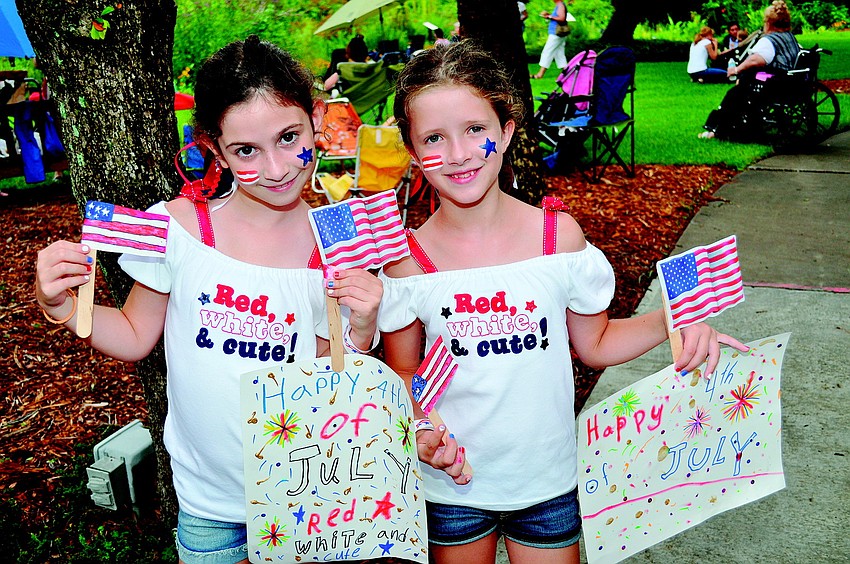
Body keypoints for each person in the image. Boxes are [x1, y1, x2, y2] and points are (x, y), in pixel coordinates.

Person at [380, 40, 748, 564]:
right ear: (415, 153)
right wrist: (420, 426)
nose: (459, 154)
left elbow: (595, 343)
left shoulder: (559, 239)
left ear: (507, 131)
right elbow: (403, 374)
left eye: (475, 130)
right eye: (435, 137)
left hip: (549, 482)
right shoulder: (406, 263)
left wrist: (675, 320)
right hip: (451, 487)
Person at [35, 35, 382, 564]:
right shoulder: (180, 229)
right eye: (246, 150)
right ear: (213, 148)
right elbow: (133, 336)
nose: (276, 166)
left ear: (317, 120)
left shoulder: (338, 239)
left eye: (290, 137)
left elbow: (330, 380)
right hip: (209, 508)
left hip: (307, 503)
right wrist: (61, 307)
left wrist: (359, 330)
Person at [700, 0, 801, 139]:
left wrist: (737, 70)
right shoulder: (790, 37)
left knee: (735, 94)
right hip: (791, 82)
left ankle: (716, 130)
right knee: (747, 81)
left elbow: (756, 60)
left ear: (768, 23)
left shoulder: (769, 41)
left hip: (776, 85)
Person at [532, 0, 569, 79]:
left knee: (547, 52)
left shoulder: (560, 5)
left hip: (557, 33)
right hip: (556, 33)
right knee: (559, 54)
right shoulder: (559, 5)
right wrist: (549, 15)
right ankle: (568, 72)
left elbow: (562, 18)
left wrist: (549, 16)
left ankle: (540, 74)